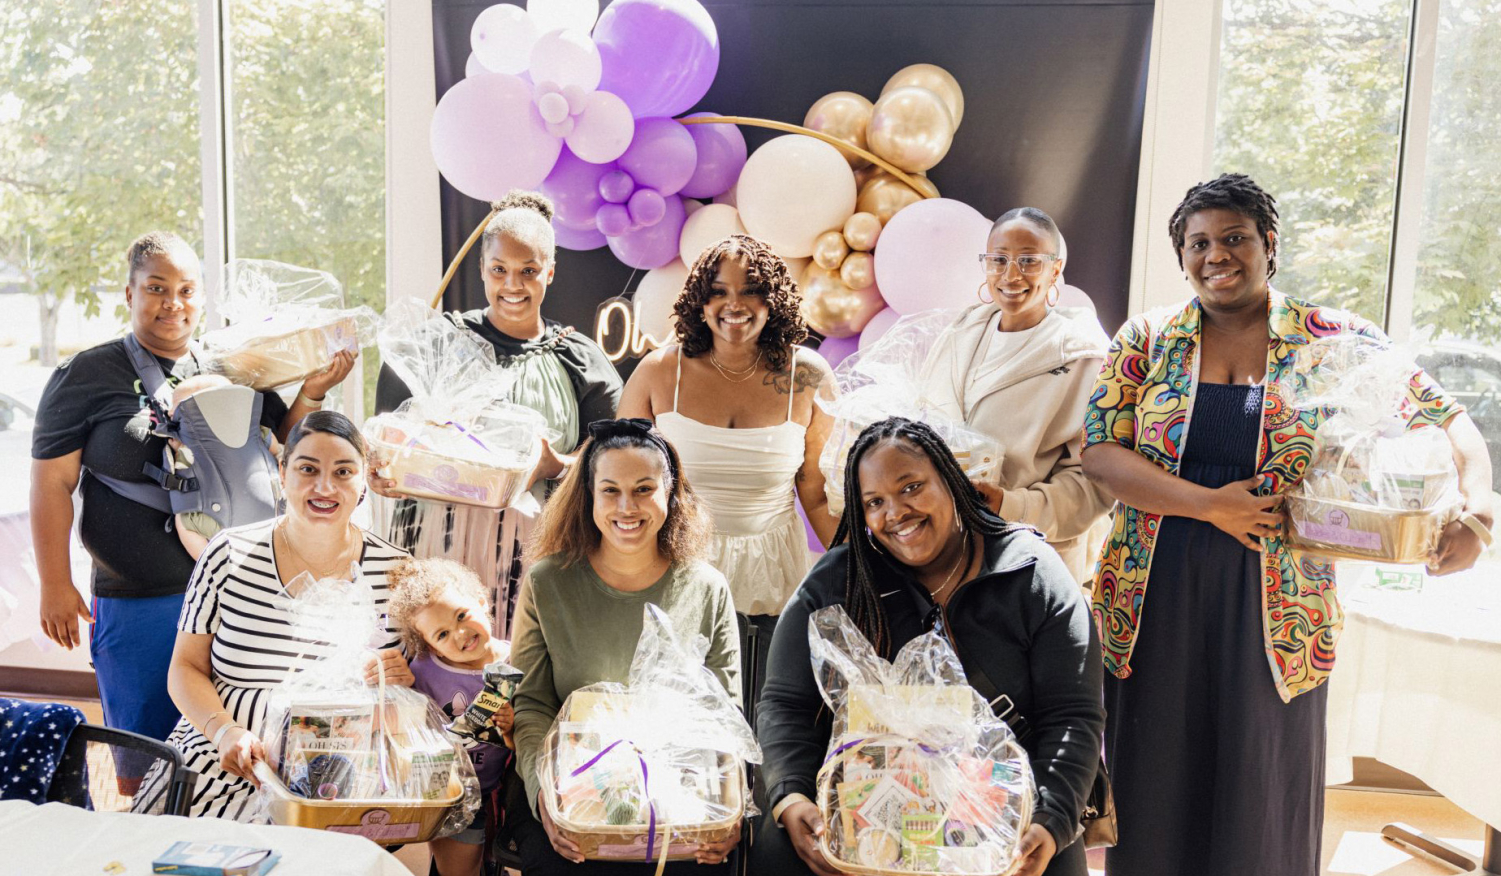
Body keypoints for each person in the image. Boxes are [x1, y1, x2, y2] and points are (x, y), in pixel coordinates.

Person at [1081, 173, 1494, 876]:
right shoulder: (1147, 340)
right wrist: (1210, 504)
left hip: (1281, 604)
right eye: (1198, 243)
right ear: (1180, 255)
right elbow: (1099, 452)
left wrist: (1479, 512)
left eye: (1233, 238)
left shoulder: (1334, 339)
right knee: (1153, 777)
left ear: (1268, 244)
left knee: (1262, 782)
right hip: (1153, 594)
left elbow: (1448, 418)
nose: (1216, 255)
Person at [30, 231, 353, 745]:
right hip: (140, 600)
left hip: (239, 594)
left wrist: (313, 393)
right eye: (157, 288)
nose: (173, 303)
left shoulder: (236, 364)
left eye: (186, 290)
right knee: (147, 755)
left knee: (239, 746)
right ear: (129, 293)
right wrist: (54, 583)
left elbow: (288, 454)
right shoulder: (87, 374)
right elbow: (53, 483)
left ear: (202, 298)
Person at [755, 417, 1104, 876]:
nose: (895, 512)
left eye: (912, 487)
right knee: (778, 845)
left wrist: (1051, 820)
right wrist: (792, 796)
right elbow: (786, 704)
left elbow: (1073, 717)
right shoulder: (839, 581)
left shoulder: (1032, 574)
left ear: (953, 481)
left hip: (1006, 809)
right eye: (874, 502)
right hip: (868, 815)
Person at [375, 191, 624, 637]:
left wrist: (558, 466)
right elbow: (385, 440)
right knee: (432, 673)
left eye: (528, 271)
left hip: (532, 552)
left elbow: (616, 462)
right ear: (483, 269)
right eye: (500, 270)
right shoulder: (435, 344)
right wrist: (383, 469)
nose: (513, 285)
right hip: (435, 546)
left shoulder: (580, 361)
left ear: (549, 270)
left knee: (516, 674)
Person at [507, 418, 741, 875]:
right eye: (610, 490)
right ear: (589, 497)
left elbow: (725, 717)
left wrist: (729, 808)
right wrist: (544, 797)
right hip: (571, 789)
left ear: (670, 495)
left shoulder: (708, 588)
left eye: (644, 489)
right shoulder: (547, 582)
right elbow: (531, 706)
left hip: (682, 795)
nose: (627, 506)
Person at [617, 234, 837, 710]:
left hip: (774, 578)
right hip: (676, 574)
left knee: (765, 725)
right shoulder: (658, 373)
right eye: (718, 291)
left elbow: (816, 495)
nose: (733, 304)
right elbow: (616, 488)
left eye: (750, 289)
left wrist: (861, 570)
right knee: (680, 732)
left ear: (772, 298)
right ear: (700, 301)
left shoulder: (807, 376)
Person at [163, 411, 414, 820]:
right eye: (308, 469)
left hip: (341, 774)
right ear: (282, 471)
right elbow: (184, 667)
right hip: (224, 759)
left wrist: (402, 677)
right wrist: (224, 731)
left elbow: (419, 685)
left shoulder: (398, 571)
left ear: (363, 480)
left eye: (344, 471)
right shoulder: (228, 553)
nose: (325, 487)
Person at [916, 207, 1114, 583]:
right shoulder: (958, 336)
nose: (1011, 275)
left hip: (1029, 564)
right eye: (999, 260)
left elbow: (1095, 484)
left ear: (1055, 270)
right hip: (945, 553)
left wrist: (1010, 505)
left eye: (1029, 261)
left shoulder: (1084, 358)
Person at [387, 557, 516, 876]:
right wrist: (399, 688)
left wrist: (512, 728)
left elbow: (529, 742)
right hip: (447, 797)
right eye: (442, 635)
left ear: (482, 601)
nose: (459, 634)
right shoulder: (422, 671)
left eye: (462, 616)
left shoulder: (518, 661)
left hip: (501, 790)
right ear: (430, 645)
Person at [167, 374, 282, 560]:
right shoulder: (258, 431)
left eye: (176, 404)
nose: (170, 412)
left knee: (184, 521)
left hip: (215, 518)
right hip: (270, 512)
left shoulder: (187, 442)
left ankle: (207, 563)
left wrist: (179, 447)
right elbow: (276, 451)